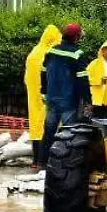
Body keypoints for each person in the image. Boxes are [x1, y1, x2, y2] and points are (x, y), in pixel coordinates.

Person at [40, 23, 92, 168]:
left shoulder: (51, 51)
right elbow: (82, 79)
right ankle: (66, 163)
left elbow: (43, 72)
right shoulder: (77, 54)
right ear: (76, 38)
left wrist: (44, 92)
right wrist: (87, 100)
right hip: (68, 101)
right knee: (69, 133)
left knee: (49, 131)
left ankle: (43, 162)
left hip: (52, 100)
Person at [24, 24, 61, 169]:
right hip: (48, 95)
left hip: (34, 95)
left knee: (35, 125)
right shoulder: (51, 53)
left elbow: (27, 77)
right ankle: (45, 161)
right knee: (49, 126)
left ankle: (36, 161)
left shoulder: (33, 53)